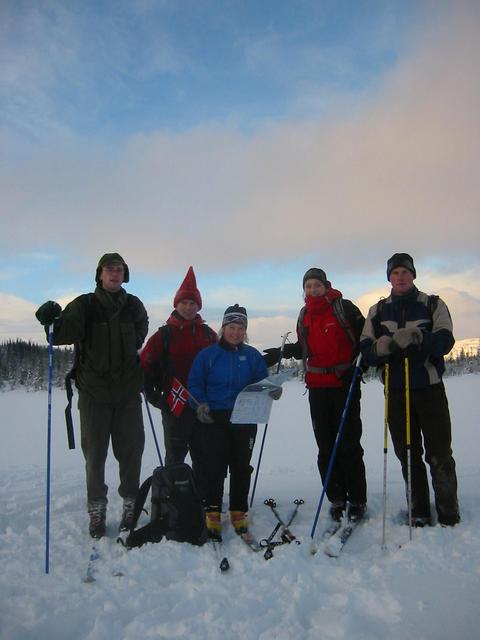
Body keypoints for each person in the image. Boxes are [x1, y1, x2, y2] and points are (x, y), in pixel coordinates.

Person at [35, 253, 148, 538]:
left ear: (125, 274)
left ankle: (131, 505)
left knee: (131, 453)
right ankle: (96, 507)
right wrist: (49, 320)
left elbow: (140, 333)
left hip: (127, 394)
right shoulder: (84, 304)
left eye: (119, 269)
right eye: (109, 269)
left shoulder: (134, 305)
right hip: (94, 394)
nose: (114, 273)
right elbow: (58, 335)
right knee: (95, 455)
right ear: (99, 274)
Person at [360, 253, 460, 527]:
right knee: (407, 453)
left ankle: (449, 511)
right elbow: (366, 351)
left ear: (413, 275)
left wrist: (419, 337)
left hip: (429, 389)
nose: (400, 277)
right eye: (395, 273)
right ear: (389, 278)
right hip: (395, 390)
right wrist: (381, 348)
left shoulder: (433, 304)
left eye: (405, 272)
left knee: (439, 452)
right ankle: (418, 511)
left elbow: (445, 340)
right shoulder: (377, 311)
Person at [264, 267, 367, 523]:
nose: (312, 290)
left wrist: (361, 364)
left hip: (345, 385)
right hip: (317, 387)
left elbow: (366, 340)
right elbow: (304, 347)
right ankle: (336, 498)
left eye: (316, 285)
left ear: (326, 285)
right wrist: (283, 351)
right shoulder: (305, 314)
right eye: (308, 286)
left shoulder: (344, 308)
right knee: (325, 444)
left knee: (349, 443)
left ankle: (357, 499)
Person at [188, 304, 281, 539]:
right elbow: (196, 383)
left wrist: (272, 390)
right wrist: (200, 403)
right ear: (223, 328)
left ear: (245, 331)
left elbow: (262, 382)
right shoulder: (208, 355)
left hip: (245, 417)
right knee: (214, 466)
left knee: (241, 466)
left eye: (240, 328)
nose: (235, 332)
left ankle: (239, 511)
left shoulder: (251, 356)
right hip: (214, 417)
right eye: (231, 327)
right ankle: (213, 511)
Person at [140, 266, 216, 473]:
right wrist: (155, 397)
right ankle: (173, 499)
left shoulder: (209, 335)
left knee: (204, 454)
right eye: (184, 302)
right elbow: (144, 367)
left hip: (203, 404)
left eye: (193, 303)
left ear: (198, 306)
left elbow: (220, 367)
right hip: (175, 406)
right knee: (175, 456)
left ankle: (202, 497)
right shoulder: (162, 335)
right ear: (176, 304)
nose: (188, 307)